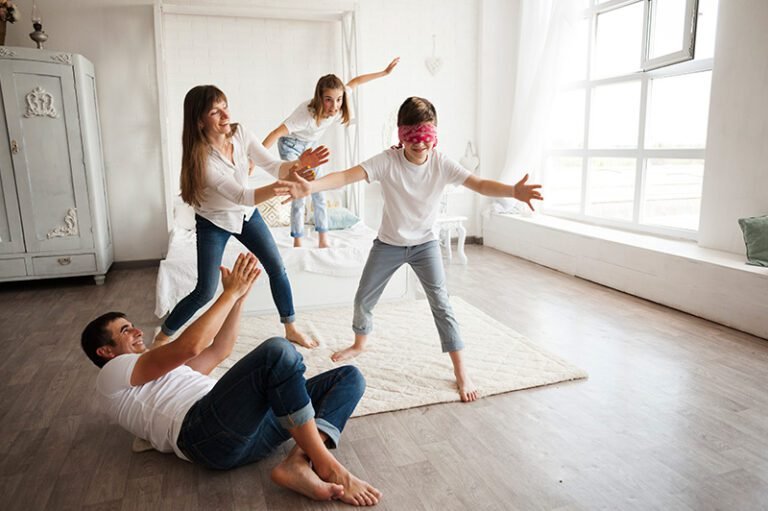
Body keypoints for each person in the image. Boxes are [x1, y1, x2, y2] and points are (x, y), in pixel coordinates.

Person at [292, 97, 543, 402]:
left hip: (426, 245)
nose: (420, 147)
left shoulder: (441, 163)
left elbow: (478, 184)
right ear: (401, 136)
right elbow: (346, 176)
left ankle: (461, 370)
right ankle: (360, 343)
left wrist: (512, 191)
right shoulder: (387, 161)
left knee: (442, 304)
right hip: (389, 244)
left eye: (426, 141)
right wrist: (311, 187)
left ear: (434, 137)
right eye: (413, 141)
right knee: (363, 298)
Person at [81, 252, 382, 506]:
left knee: (349, 377)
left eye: (132, 326)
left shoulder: (158, 373)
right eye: (125, 331)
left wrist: (239, 299)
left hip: (246, 429)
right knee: (277, 352)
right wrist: (228, 293)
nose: (137, 331)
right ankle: (327, 466)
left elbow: (219, 350)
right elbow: (190, 346)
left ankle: (298, 462)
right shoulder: (113, 373)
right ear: (105, 351)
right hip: (204, 434)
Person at [154, 85, 324, 348]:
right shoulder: (202, 161)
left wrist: (299, 164)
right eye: (214, 111)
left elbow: (273, 166)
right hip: (214, 221)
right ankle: (163, 336)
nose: (225, 115)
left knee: (277, 267)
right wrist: (283, 187)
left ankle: (290, 327)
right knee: (206, 290)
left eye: (225, 107)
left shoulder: (241, 133)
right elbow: (243, 195)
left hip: (246, 215)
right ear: (199, 121)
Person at [262, 58, 400, 248]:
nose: (334, 106)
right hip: (290, 146)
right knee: (300, 192)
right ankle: (297, 239)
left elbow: (357, 81)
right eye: (328, 100)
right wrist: (255, 159)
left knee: (318, 189)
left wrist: (384, 73)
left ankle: (323, 238)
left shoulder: (338, 105)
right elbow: (276, 133)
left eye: (338, 100)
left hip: (310, 147)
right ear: (320, 98)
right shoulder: (305, 115)